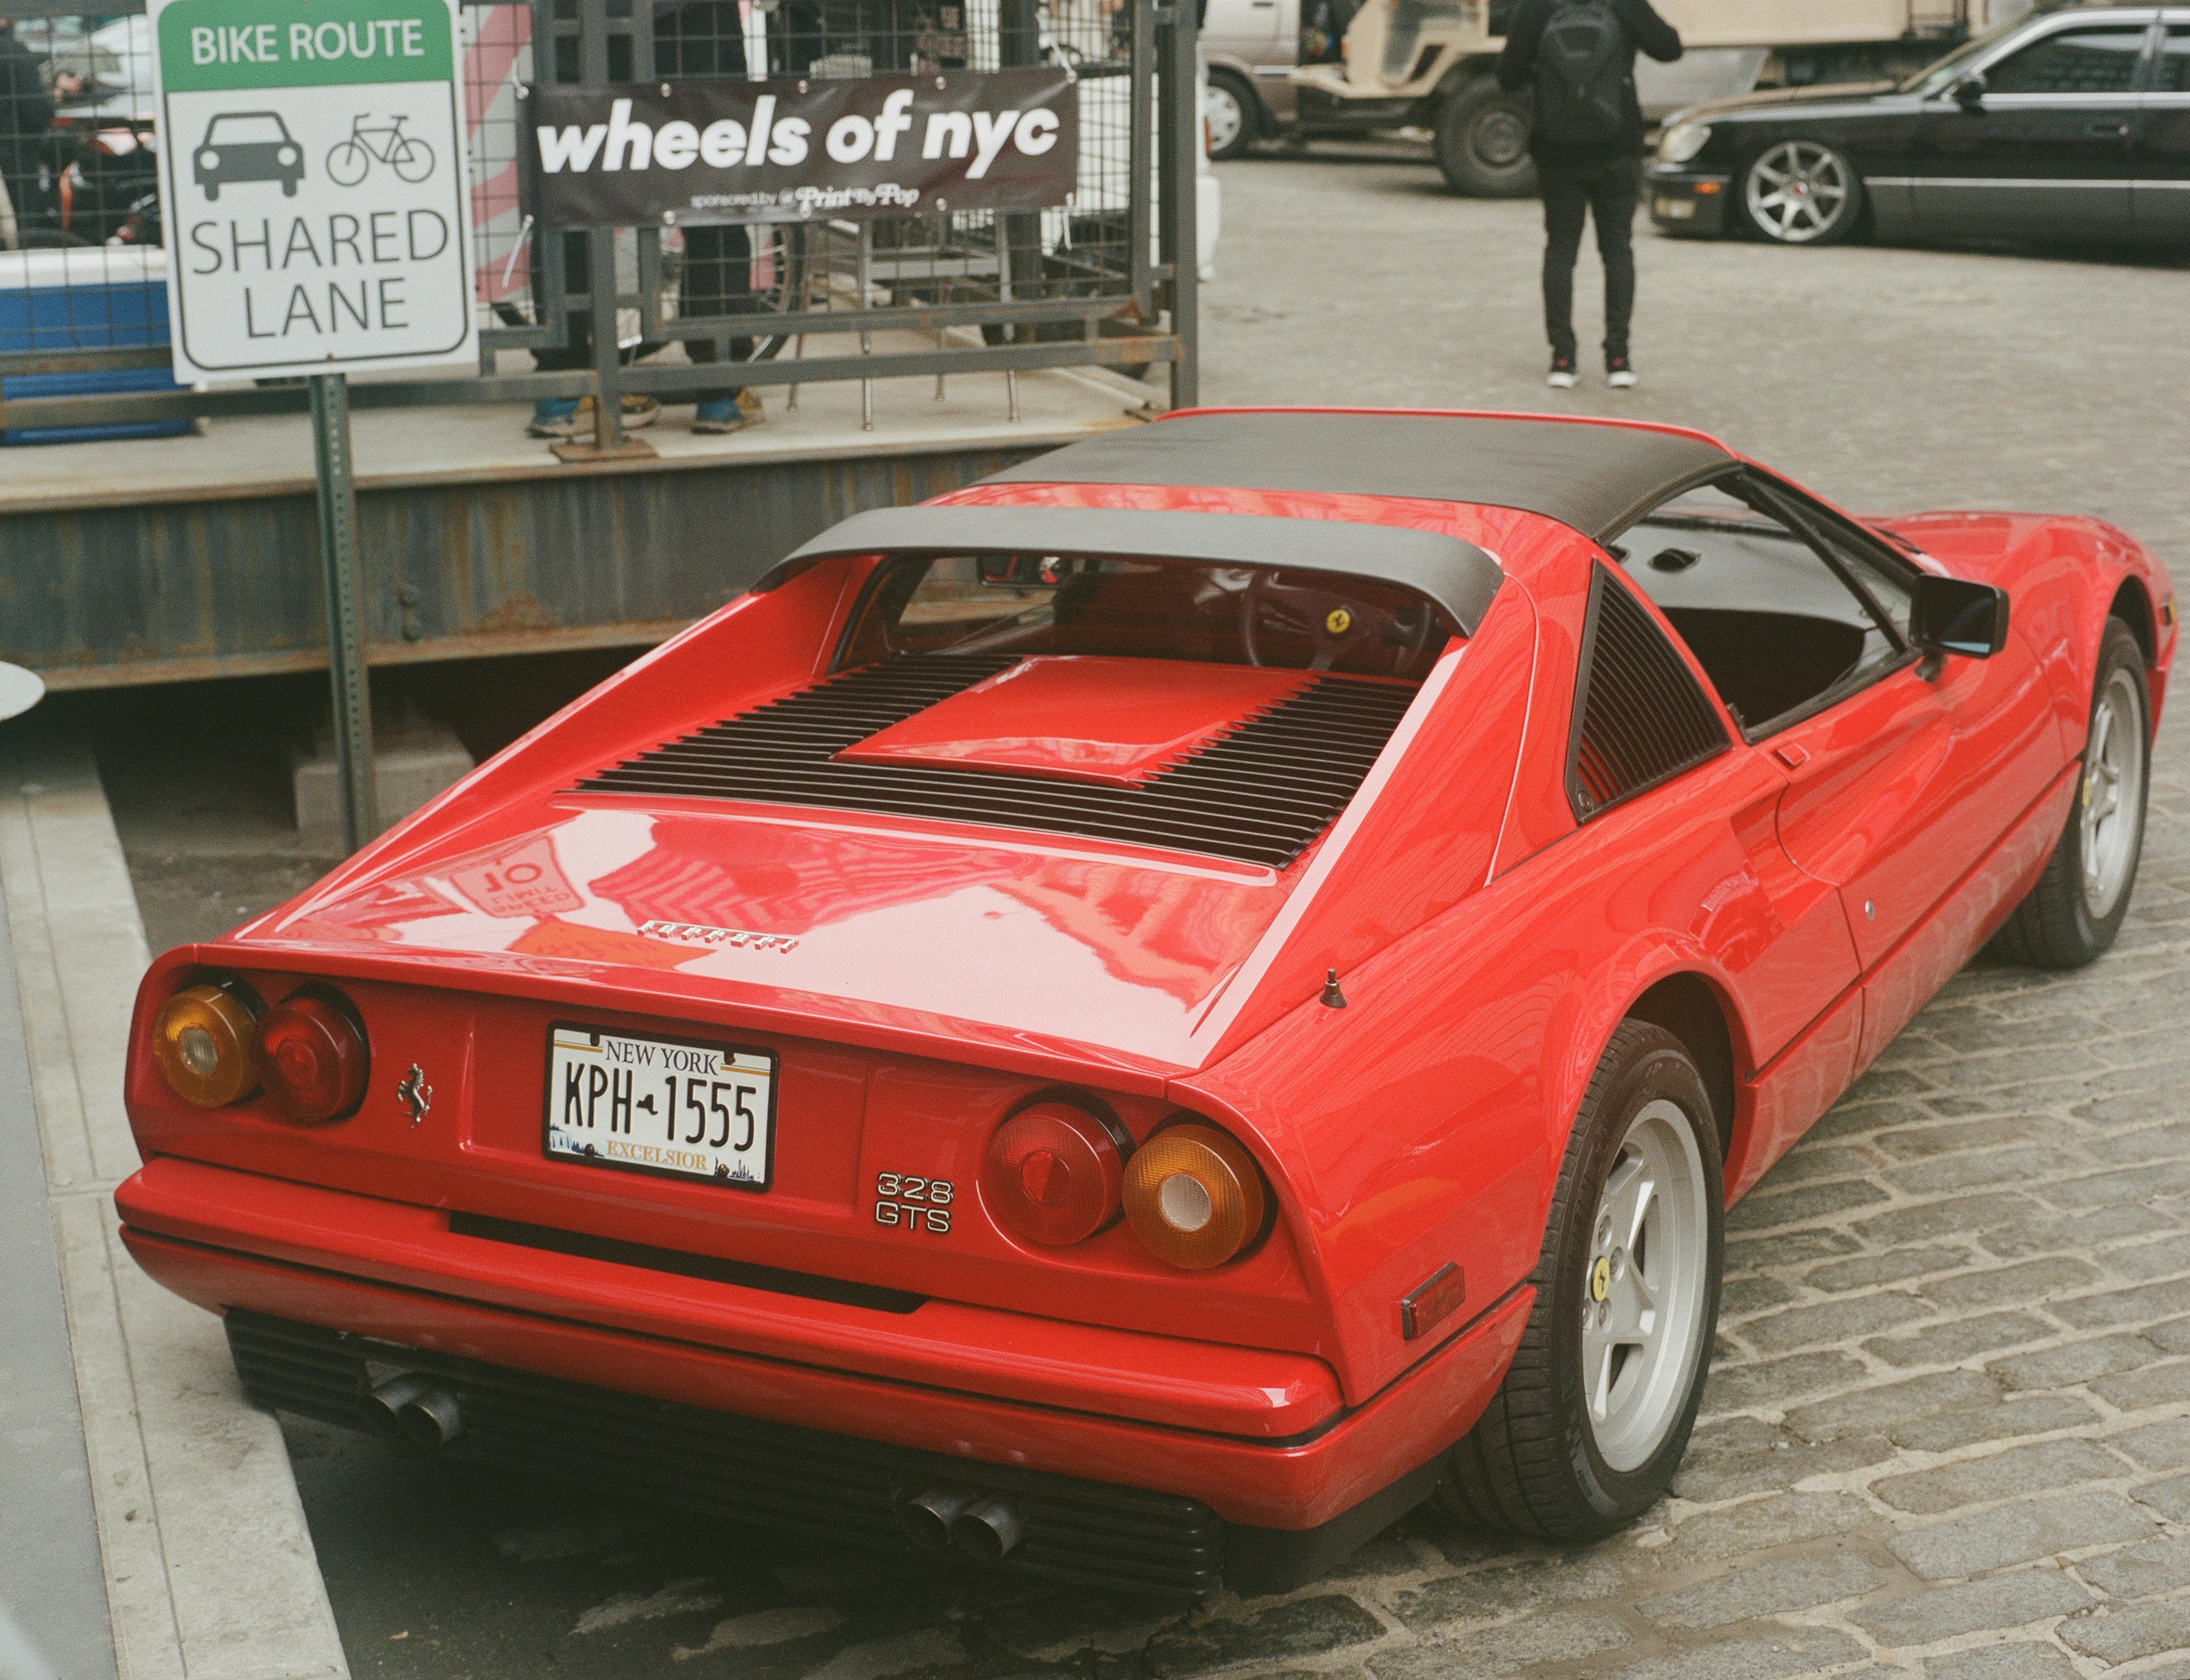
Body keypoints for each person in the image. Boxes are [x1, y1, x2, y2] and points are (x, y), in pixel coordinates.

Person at [1496, 0, 1680, 390]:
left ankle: (1562, 358)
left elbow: (1507, 77)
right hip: (1618, 147)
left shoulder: (1535, 8)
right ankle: (1618, 358)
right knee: (1617, 251)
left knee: (1560, 251)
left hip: (1557, 149)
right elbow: (1670, 48)